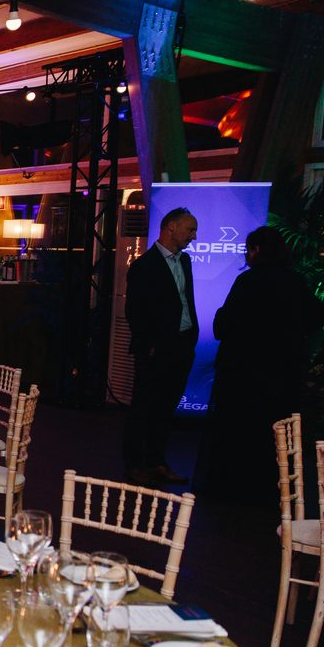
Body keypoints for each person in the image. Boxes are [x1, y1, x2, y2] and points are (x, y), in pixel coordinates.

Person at [199, 227, 321, 502]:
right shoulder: (295, 282)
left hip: (243, 373)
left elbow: (223, 326)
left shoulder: (248, 282)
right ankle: (270, 488)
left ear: (255, 250)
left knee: (239, 429)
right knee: (274, 431)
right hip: (282, 374)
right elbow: (317, 317)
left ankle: (235, 485)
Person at [123, 206, 199, 488]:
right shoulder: (144, 266)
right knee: (144, 407)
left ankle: (157, 461)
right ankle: (135, 463)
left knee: (167, 407)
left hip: (182, 344)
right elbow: (136, 311)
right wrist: (148, 345)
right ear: (171, 228)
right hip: (156, 349)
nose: (194, 235)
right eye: (189, 229)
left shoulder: (185, 262)